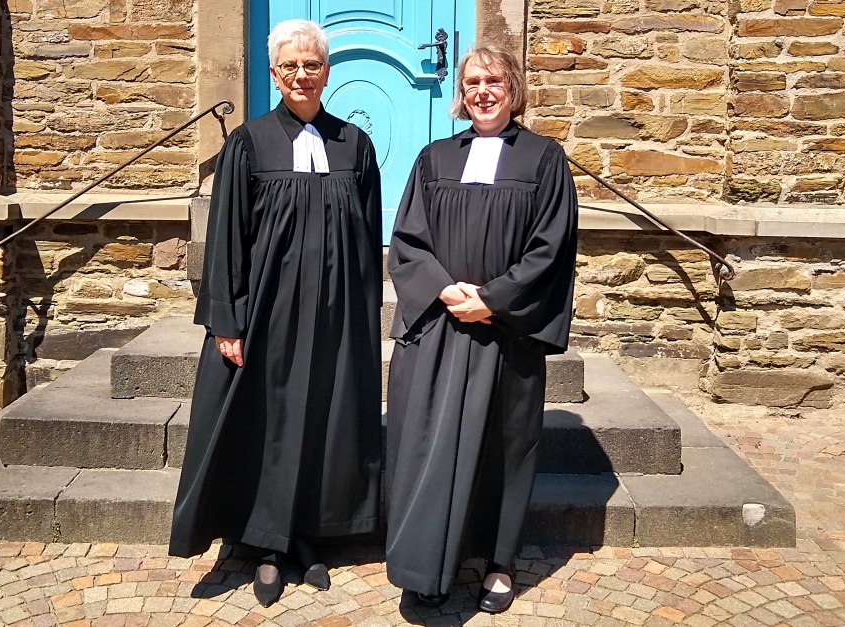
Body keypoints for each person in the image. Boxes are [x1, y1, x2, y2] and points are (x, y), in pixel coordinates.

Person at [169, 19, 383, 608]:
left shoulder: (354, 145)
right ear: (273, 73)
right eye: (289, 65)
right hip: (266, 314)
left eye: (311, 64)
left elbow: (368, 239)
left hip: (337, 315)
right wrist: (226, 320)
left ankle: (311, 532)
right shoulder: (249, 142)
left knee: (324, 419)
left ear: (327, 71)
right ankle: (265, 544)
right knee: (269, 423)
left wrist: (365, 317)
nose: (300, 75)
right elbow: (227, 239)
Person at [383, 45, 579, 614]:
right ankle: (426, 562)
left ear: (513, 88)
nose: (483, 91)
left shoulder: (545, 159)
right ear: (460, 94)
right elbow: (407, 240)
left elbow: (552, 247)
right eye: (472, 83)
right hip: (439, 324)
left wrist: (491, 301)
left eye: (493, 80)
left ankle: (498, 562)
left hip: (507, 332)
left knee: (503, 445)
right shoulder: (434, 157)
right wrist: (447, 291)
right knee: (425, 443)